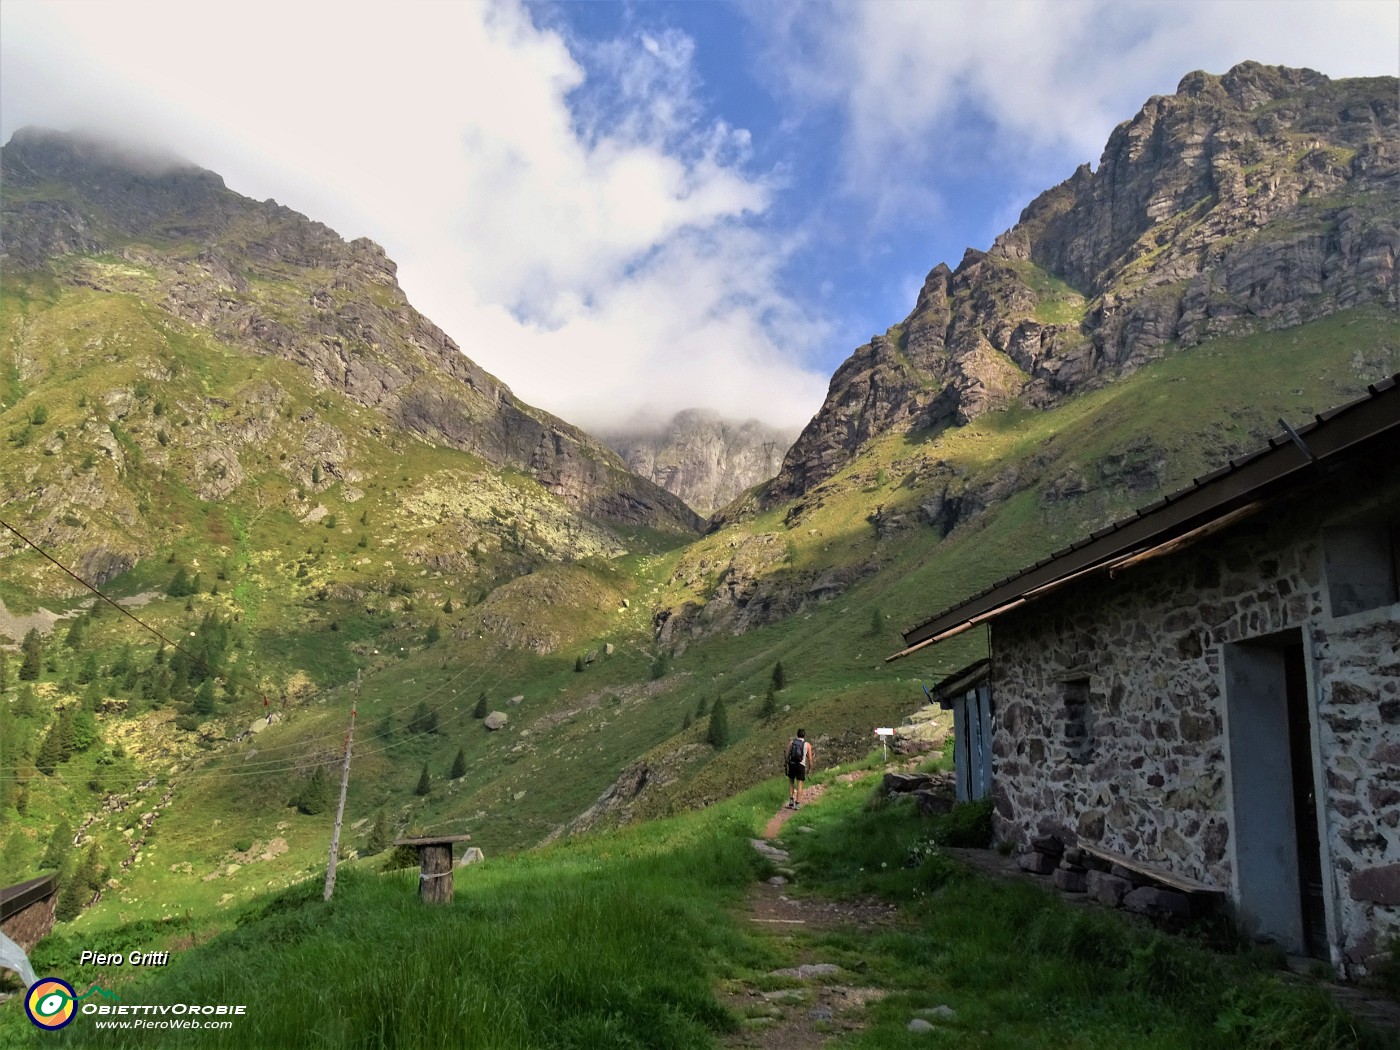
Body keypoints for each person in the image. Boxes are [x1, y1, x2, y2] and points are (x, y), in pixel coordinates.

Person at [786, 729, 814, 808]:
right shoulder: (807, 745)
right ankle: (797, 803)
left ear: (797, 735)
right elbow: (810, 759)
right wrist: (810, 768)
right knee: (800, 784)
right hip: (801, 765)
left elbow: (787, 754)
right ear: (804, 735)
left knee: (791, 782)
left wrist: (786, 763)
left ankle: (791, 800)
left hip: (792, 764)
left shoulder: (792, 742)